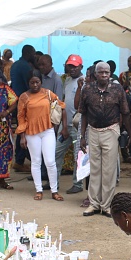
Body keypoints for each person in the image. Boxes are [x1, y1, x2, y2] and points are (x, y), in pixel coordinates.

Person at [79, 62, 131, 216]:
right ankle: (94, 204)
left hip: (111, 131)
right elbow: (83, 113)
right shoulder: (87, 89)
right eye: (101, 72)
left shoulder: (117, 89)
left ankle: (107, 205)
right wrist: (83, 136)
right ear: (95, 74)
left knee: (109, 170)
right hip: (93, 131)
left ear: (110, 74)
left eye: (106, 72)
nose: (104, 75)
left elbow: (125, 113)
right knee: (94, 169)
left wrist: (130, 134)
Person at [16, 70, 67, 201]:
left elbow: (61, 107)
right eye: (32, 82)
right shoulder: (24, 97)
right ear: (28, 83)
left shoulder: (48, 94)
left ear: (41, 82)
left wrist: (61, 127)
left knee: (50, 161)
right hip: (31, 132)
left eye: (37, 82)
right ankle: (39, 190)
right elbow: (20, 117)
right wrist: (22, 137)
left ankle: (54, 191)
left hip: (47, 130)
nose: (34, 85)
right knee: (36, 161)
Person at [11, 45, 37, 173]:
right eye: (33, 53)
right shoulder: (26, 67)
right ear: (28, 53)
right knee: (25, 131)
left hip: (16, 101)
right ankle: (20, 160)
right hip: (25, 102)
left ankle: (19, 159)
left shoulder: (15, 65)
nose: (34, 55)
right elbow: (31, 85)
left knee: (20, 129)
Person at [61, 54, 85, 195]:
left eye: (75, 66)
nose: (72, 69)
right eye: (70, 66)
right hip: (66, 125)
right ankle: (53, 182)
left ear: (81, 66)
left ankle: (78, 183)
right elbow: (64, 103)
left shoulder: (85, 82)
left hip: (78, 126)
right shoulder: (68, 81)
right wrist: (63, 126)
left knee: (78, 155)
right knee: (57, 152)